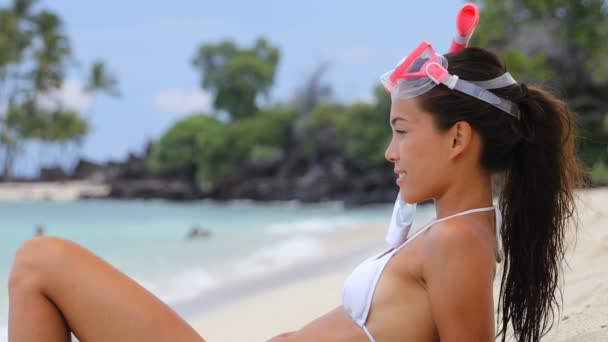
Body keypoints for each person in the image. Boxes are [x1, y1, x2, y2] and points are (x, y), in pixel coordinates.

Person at [7, 10, 584, 342]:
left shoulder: (458, 241)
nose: (389, 152)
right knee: (40, 264)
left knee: (40, 260)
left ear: (458, 139)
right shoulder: (454, 234)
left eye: (402, 131)